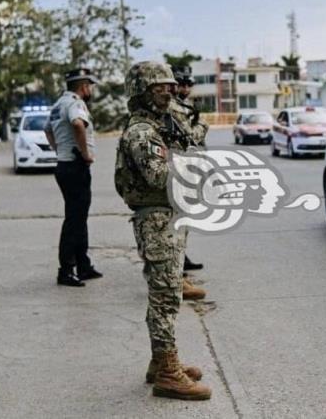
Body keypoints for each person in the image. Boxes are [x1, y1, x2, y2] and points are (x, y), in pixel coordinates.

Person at [114, 61, 211, 401]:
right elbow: (158, 176)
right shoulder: (141, 132)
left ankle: (161, 361)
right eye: (161, 87)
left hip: (166, 215)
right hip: (156, 220)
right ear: (143, 91)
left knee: (166, 292)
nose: (170, 91)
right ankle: (168, 373)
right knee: (166, 296)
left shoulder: (161, 124)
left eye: (171, 86)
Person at [44, 68, 102, 287]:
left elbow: (47, 129)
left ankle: (83, 265)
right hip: (76, 166)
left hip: (64, 165)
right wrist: (85, 153)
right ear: (83, 86)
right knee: (74, 220)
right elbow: (78, 125)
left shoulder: (58, 104)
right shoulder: (76, 104)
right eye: (90, 86)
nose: (90, 90)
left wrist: (60, 150)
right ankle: (66, 271)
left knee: (78, 218)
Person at [170, 65, 208, 277]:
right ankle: (176, 264)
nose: (186, 88)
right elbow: (191, 136)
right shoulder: (174, 108)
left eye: (188, 84)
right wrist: (202, 123)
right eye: (181, 84)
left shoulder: (184, 106)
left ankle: (181, 258)